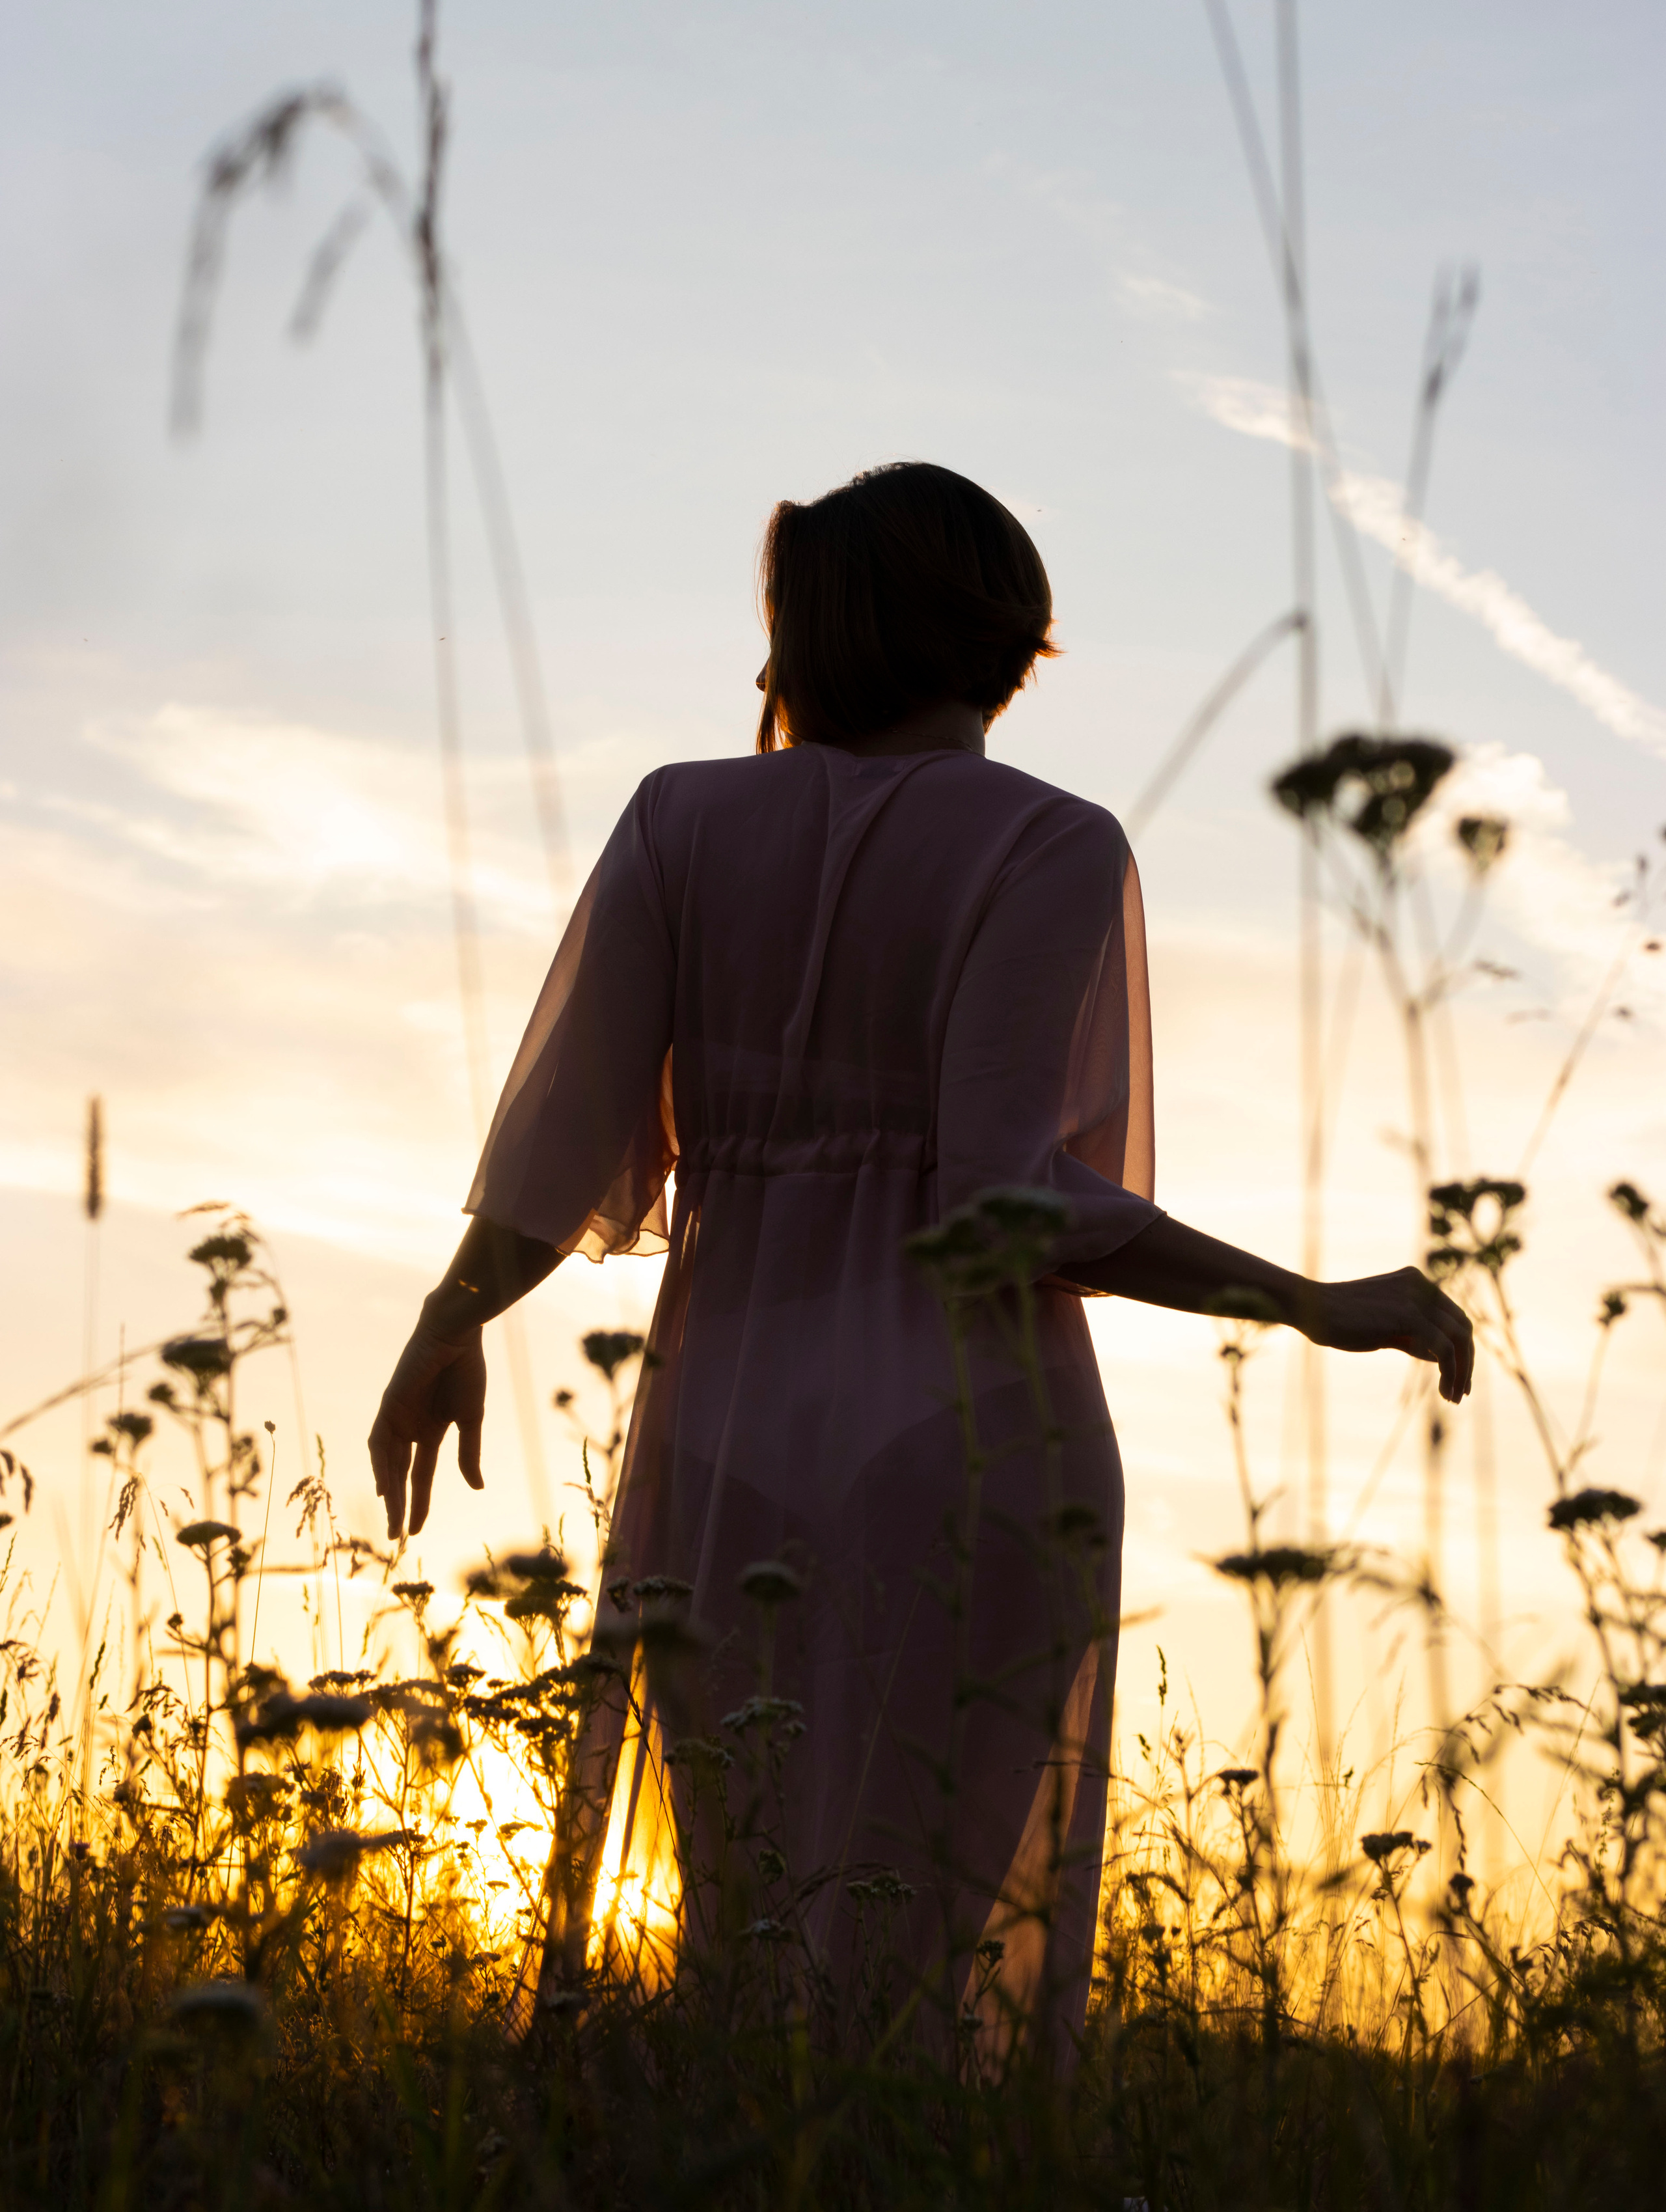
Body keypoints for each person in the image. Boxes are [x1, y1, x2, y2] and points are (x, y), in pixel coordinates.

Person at [368, 462, 1472, 2064]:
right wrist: (1311, 1304)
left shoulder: (681, 819)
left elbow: (561, 1140)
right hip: (959, 1436)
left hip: (718, 1434)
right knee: (897, 1993)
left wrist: (447, 1316)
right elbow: (999, 1202)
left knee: (736, 1966)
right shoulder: (1050, 844)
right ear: (1010, 631)